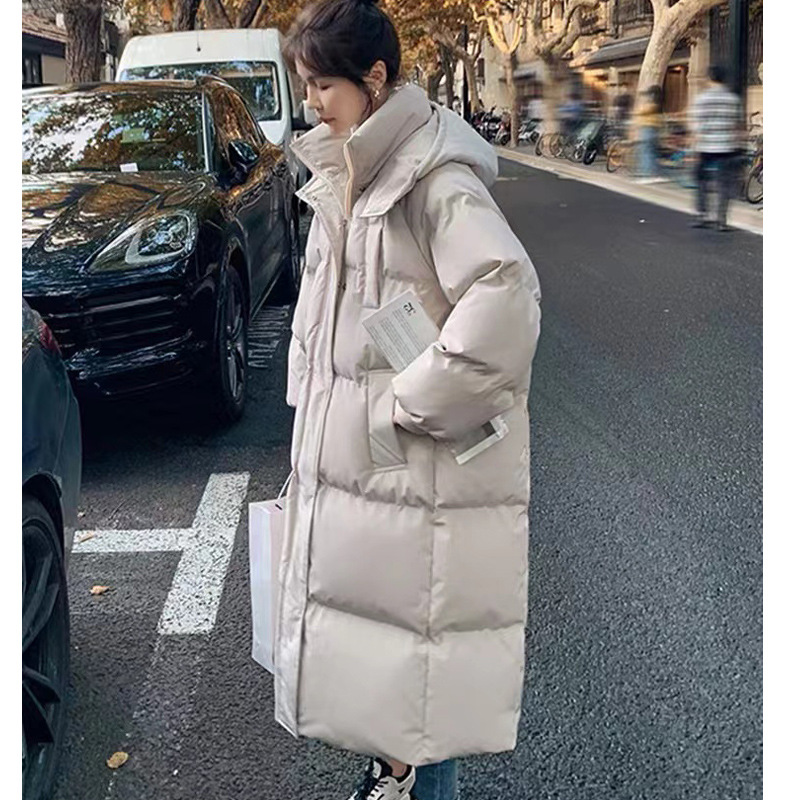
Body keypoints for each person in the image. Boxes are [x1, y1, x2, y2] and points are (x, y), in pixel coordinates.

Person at [275, 1, 542, 799]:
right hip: (366, 470)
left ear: (376, 77)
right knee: (399, 669)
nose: (311, 102)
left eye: (323, 85)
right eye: (306, 85)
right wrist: (309, 412)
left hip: (417, 470)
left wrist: (406, 405)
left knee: (422, 671)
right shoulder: (346, 172)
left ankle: (405, 780)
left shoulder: (433, 179)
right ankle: (395, 773)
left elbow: (507, 299)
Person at [688, 64, 744, 232]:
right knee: (724, 183)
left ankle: (703, 215)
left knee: (701, 181)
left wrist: (693, 148)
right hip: (726, 146)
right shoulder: (733, 100)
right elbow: (737, 125)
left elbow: (697, 126)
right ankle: (721, 220)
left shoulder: (701, 99)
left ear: (710, 78)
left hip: (705, 146)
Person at [634, 85, 665, 183]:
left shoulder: (652, 104)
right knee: (652, 153)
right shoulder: (658, 103)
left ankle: (648, 175)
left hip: (648, 129)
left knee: (646, 153)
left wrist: (642, 101)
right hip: (652, 130)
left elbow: (640, 111)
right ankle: (656, 174)